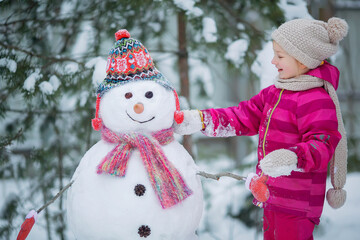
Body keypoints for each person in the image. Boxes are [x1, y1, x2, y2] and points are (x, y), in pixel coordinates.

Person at [174, 17, 348, 240]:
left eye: (280, 56)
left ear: (303, 61)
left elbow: (323, 144)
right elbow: (242, 116)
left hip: (297, 203)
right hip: (271, 195)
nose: (273, 61)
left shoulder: (316, 99)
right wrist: (200, 120)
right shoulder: (275, 93)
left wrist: (291, 158)